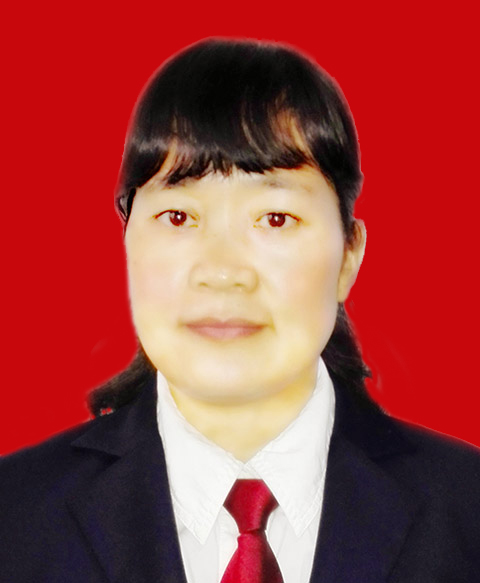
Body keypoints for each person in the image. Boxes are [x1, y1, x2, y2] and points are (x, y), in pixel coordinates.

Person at [1, 38, 479, 583]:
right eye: (179, 217)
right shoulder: (14, 518)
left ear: (349, 254)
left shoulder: (467, 512)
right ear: (128, 241)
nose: (223, 270)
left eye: (275, 219)